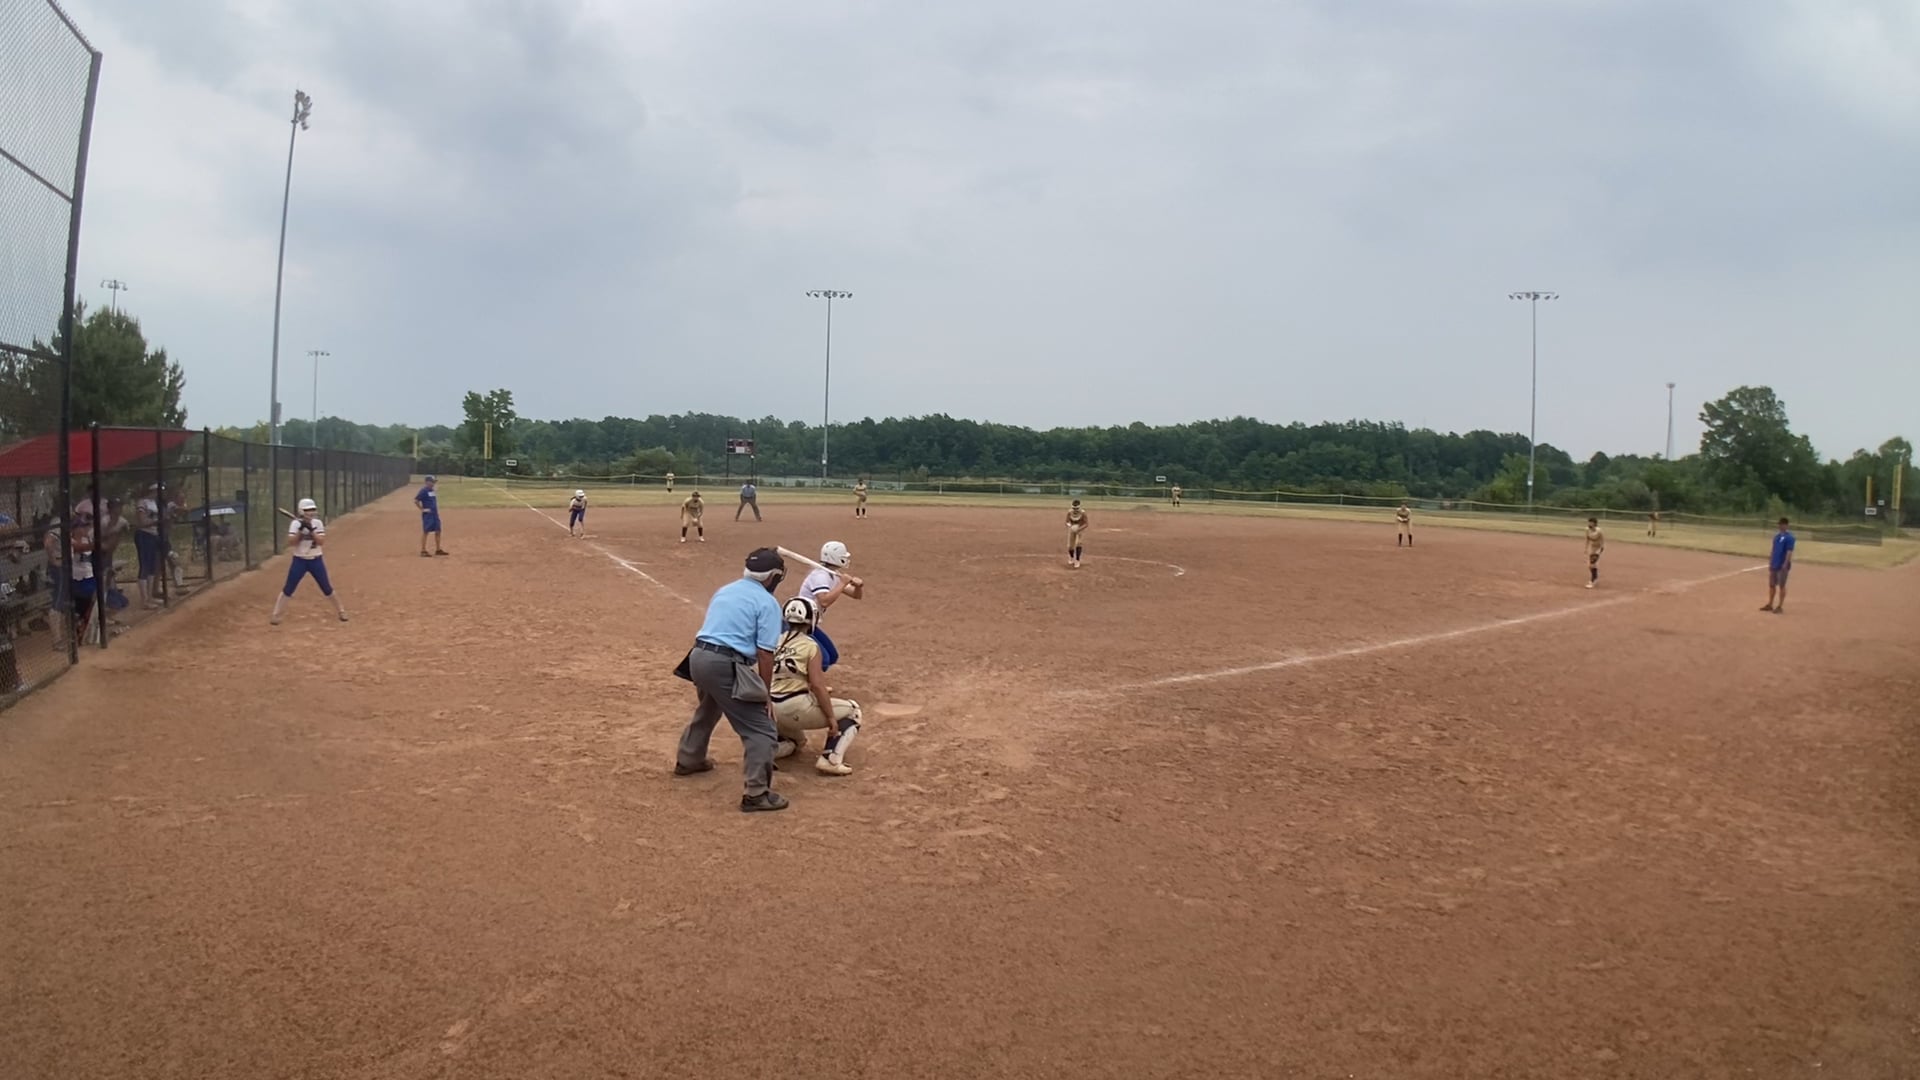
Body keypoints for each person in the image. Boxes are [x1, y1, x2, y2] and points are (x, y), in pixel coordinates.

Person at [672, 548, 790, 812]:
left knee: (709, 707)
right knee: (761, 729)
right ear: (773, 576)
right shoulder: (767, 603)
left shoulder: (725, 590)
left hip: (697, 658)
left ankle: (689, 759)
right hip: (724, 663)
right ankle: (756, 794)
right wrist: (765, 694)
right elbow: (765, 653)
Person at [769, 596, 863, 776]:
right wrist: (831, 718)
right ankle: (830, 760)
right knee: (853, 711)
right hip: (794, 707)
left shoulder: (774, 640)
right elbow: (818, 685)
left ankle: (767, 752)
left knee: (796, 741)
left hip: (770, 709)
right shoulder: (810, 645)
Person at [272, 498, 348, 625]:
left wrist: (311, 530)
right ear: (301, 511)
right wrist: (301, 532)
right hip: (299, 560)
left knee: (326, 587)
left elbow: (321, 542)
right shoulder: (296, 524)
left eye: (312, 509)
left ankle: (341, 611)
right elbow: (291, 542)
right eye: (307, 510)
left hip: (316, 560)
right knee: (289, 588)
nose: (311, 512)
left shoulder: (317, 523)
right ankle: (276, 614)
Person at [800, 540, 864, 670]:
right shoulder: (820, 576)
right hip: (799, 624)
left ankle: (810, 676)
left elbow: (856, 595)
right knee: (823, 660)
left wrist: (858, 587)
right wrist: (842, 583)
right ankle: (804, 678)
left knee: (832, 656)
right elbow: (824, 601)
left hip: (811, 624)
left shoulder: (833, 575)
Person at [1762, 516, 1795, 614]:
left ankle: (1780, 606)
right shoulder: (1777, 537)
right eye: (1779, 524)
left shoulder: (1790, 538)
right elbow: (1773, 550)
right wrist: (1770, 561)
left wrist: (1785, 563)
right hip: (1774, 564)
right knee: (1772, 585)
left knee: (1782, 585)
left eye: (1782, 524)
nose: (1780, 526)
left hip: (1782, 565)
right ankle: (1770, 604)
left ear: (1786, 525)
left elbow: (1789, 551)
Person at [415, 475, 447, 557]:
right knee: (426, 531)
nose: (433, 483)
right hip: (428, 515)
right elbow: (416, 500)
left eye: (434, 482)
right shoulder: (423, 491)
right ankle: (423, 550)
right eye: (432, 482)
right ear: (427, 482)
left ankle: (438, 549)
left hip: (435, 514)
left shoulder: (432, 491)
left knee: (438, 530)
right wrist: (422, 509)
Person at [1065, 499, 1089, 569]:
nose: (1075, 510)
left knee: (1078, 543)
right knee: (1070, 546)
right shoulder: (1069, 512)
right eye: (1074, 508)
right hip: (1072, 529)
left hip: (1080, 529)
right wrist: (1070, 525)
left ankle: (1077, 560)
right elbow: (1067, 521)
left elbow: (1086, 524)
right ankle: (1071, 557)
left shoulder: (1083, 513)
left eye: (1076, 508)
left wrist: (1079, 529)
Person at [1584, 517, 1605, 589]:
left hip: (1598, 548)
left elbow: (1602, 541)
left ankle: (1592, 581)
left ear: (1595, 524)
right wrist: (1586, 548)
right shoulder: (1587, 530)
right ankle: (1595, 577)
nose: (1589, 524)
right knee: (1590, 566)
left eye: (1591, 522)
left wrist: (1599, 551)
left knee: (1592, 564)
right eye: (1589, 522)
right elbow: (1587, 539)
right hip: (1592, 548)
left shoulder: (1599, 531)